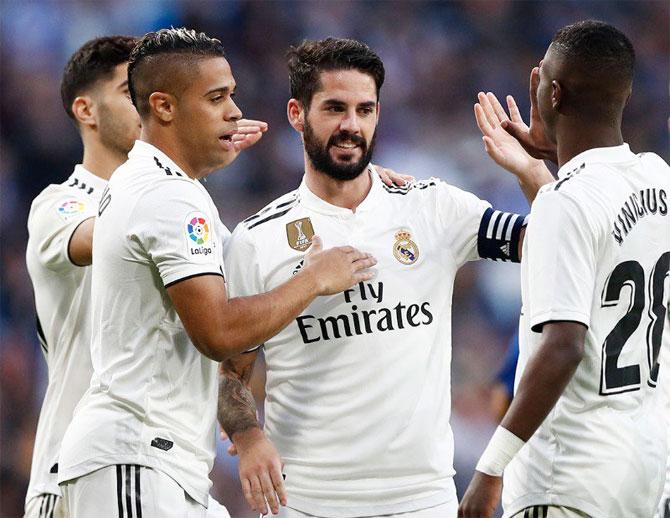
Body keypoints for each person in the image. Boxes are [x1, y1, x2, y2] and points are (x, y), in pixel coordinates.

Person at [217, 37, 552, 517]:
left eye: (364, 109)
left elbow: (554, 241)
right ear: (296, 112)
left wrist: (530, 171)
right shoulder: (255, 240)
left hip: (424, 500)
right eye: (334, 108)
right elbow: (230, 373)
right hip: (310, 502)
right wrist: (248, 438)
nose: (351, 125)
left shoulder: (432, 205)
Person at [56, 27, 377, 518]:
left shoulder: (146, 181)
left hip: (153, 460)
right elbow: (218, 332)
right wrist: (313, 278)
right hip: (135, 456)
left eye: (233, 95)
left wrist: (371, 188)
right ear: (164, 107)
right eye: (216, 98)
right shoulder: (170, 196)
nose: (233, 111)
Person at [459, 20, 670, 518]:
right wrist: (545, 163)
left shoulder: (564, 202)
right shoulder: (660, 177)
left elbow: (564, 345)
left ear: (552, 92)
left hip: (566, 481)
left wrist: (491, 469)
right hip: (643, 476)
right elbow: (591, 228)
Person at [24, 35, 140, 518]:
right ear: (86, 111)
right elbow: (113, 237)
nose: (153, 104)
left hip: (161, 469)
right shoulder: (61, 204)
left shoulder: (186, 206)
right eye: (131, 91)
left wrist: (359, 191)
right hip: (76, 473)